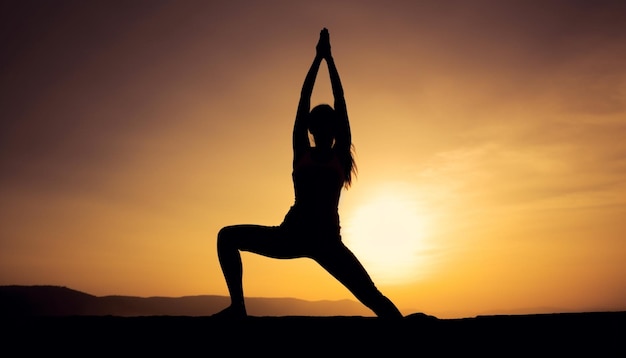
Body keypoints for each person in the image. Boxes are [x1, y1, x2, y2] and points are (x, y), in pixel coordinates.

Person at [214, 28, 403, 319]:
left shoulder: (340, 156)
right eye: (319, 125)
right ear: (312, 130)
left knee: (373, 298)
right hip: (290, 235)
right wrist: (318, 59)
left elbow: (341, 102)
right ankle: (238, 308)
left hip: (328, 243)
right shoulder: (301, 152)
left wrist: (329, 59)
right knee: (226, 237)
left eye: (329, 125)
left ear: (334, 129)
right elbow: (303, 100)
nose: (324, 130)